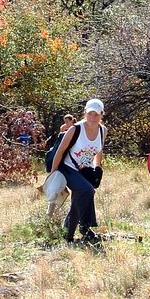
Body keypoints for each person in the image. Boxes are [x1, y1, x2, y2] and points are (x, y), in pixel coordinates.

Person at [48, 99, 107, 244]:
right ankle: (79, 229)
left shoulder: (102, 131)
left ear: (101, 115)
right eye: (90, 113)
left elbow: (99, 151)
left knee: (82, 195)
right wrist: (53, 173)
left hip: (84, 170)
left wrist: (97, 167)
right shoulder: (75, 129)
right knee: (87, 190)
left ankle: (73, 231)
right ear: (85, 113)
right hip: (67, 167)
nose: (92, 117)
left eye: (96, 114)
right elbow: (60, 151)